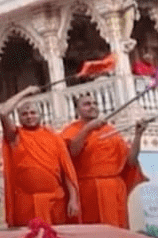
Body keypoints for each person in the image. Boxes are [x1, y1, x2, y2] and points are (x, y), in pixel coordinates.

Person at [59, 93, 148, 228]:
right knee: (94, 231)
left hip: (114, 189)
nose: (92, 107)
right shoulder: (71, 130)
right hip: (88, 189)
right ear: (77, 111)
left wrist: (138, 135)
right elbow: (71, 152)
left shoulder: (111, 130)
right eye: (87, 104)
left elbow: (131, 161)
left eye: (95, 104)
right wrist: (88, 129)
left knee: (117, 229)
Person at [0, 85, 80, 227]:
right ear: (19, 117)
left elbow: (67, 172)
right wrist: (26, 92)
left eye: (33, 113)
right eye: (25, 114)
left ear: (40, 115)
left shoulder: (54, 138)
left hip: (55, 200)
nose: (29, 116)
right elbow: (4, 113)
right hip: (27, 202)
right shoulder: (16, 136)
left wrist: (73, 199)